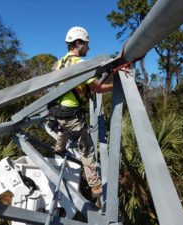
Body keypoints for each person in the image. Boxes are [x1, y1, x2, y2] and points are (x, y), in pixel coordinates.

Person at [50, 26, 113, 197]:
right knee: (86, 147)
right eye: (86, 44)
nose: (88, 47)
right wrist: (115, 87)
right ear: (78, 43)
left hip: (56, 111)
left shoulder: (58, 63)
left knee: (63, 126)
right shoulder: (80, 64)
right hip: (70, 113)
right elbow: (98, 88)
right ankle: (95, 187)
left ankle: (59, 148)